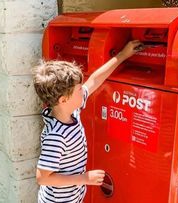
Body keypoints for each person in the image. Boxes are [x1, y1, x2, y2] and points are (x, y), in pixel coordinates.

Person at [32, 40, 143, 203]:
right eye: (78, 89)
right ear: (64, 100)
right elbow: (43, 178)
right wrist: (84, 178)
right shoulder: (56, 136)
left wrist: (122, 56)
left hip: (72, 197)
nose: (83, 90)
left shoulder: (72, 111)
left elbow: (94, 81)